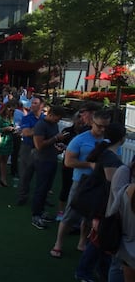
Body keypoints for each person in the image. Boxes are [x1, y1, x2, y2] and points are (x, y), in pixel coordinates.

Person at [50, 109, 112, 258]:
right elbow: (68, 162)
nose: (102, 129)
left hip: (100, 184)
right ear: (92, 123)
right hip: (81, 183)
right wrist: (89, 165)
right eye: (99, 126)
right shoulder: (80, 139)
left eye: (105, 126)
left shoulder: (109, 141)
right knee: (70, 215)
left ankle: (82, 242)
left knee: (90, 217)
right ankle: (58, 244)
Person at [74, 123, 126, 282]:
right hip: (103, 206)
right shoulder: (110, 157)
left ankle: (102, 272)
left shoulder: (106, 153)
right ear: (123, 139)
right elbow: (111, 187)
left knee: (102, 241)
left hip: (102, 204)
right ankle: (83, 271)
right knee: (98, 240)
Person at [30, 105, 67, 229]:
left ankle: (41, 211)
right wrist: (56, 138)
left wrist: (58, 144)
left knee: (47, 188)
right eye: (58, 117)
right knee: (41, 188)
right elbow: (39, 145)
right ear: (52, 114)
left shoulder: (54, 125)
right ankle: (36, 215)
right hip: (42, 160)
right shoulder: (41, 125)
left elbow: (51, 141)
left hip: (51, 159)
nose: (59, 120)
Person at [16, 96, 45, 205]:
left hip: (41, 149)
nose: (32, 105)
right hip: (28, 148)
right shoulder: (27, 118)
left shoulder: (44, 118)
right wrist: (41, 130)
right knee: (24, 174)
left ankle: (41, 198)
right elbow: (26, 132)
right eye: (32, 103)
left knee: (42, 175)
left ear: (42, 105)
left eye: (35, 103)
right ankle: (22, 197)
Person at [0, 101, 17, 187]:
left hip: (8, 141)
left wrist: (14, 130)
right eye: (9, 109)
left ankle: (3, 179)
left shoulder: (11, 118)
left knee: (4, 161)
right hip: (0, 140)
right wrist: (5, 128)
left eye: (12, 110)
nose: (11, 111)